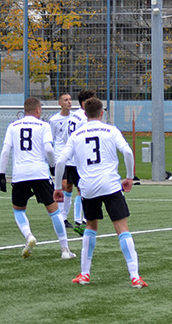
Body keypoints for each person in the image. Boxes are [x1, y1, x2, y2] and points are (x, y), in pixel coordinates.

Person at [53, 97, 147, 288]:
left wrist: (56, 187)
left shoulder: (77, 134)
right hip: (111, 185)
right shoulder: (111, 130)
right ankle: (135, 276)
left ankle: (85, 274)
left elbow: (60, 162)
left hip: (88, 187)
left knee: (91, 226)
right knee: (122, 228)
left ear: (85, 114)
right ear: (102, 113)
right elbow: (128, 153)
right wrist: (129, 177)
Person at [0, 97, 76, 260]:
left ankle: (29, 236)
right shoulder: (44, 125)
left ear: (24, 110)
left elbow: (5, 151)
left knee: (18, 210)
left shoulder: (12, 126)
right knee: (54, 211)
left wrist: (1, 174)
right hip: (40, 173)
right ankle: (64, 249)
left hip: (20, 174)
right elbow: (49, 149)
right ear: (38, 110)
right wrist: (53, 166)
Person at [65, 89, 97, 235]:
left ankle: (79, 219)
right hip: (80, 160)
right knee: (83, 190)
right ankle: (81, 220)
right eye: (91, 100)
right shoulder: (84, 118)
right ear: (84, 102)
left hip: (72, 159)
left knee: (79, 189)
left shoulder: (73, 116)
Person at [49, 92, 74, 228]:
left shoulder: (75, 118)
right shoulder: (54, 120)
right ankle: (59, 216)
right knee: (62, 184)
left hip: (72, 156)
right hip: (60, 156)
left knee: (70, 186)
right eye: (66, 100)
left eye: (70, 99)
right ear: (60, 103)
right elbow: (52, 139)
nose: (69, 102)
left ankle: (65, 217)